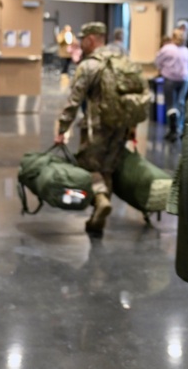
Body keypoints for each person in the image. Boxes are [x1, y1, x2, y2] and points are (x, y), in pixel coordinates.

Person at [54, 22, 134, 236]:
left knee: (91, 167)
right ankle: (99, 212)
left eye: (83, 39)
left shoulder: (89, 65)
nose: (81, 42)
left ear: (91, 39)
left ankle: (100, 200)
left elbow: (74, 100)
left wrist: (62, 128)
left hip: (96, 127)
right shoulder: (120, 61)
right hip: (121, 125)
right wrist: (132, 128)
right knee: (107, 168)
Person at [155, 28, 188, 142]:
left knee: (171, 105)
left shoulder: (167, 49)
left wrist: (163, 69)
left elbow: (157, 62)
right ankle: (180, 129)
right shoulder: (186, 50)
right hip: (184, 79)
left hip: (170, 79)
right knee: (181, 104)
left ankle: (172, 130)